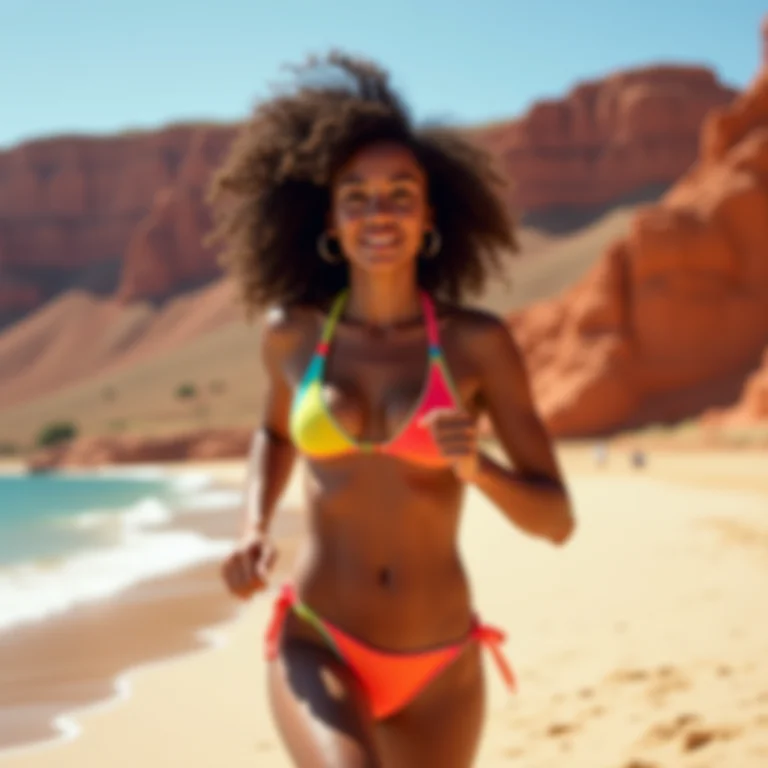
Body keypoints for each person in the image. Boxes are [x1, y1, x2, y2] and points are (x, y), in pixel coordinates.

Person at [213, 53, 575, 768]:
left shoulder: (477, 345)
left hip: (441, 664)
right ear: (331, 217)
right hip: (321, 638)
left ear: (430, 213)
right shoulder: (294, 334)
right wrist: (253, 525)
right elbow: (274, 431)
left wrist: (479, 468)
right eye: (357, 194)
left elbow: (556, 522)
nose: (379, 212)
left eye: (400, 193)